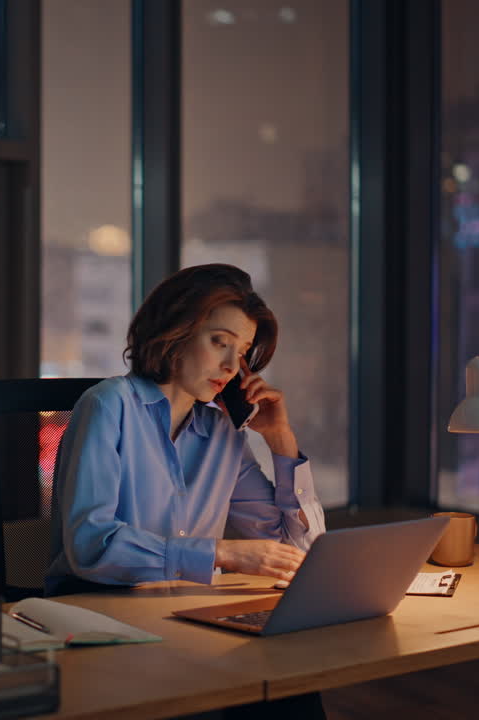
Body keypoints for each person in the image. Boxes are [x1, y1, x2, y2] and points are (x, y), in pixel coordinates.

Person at [45, 263, 329, 718]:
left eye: (243, 351)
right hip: (101, 617)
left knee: (289, 685)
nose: (232, 367)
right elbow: (91, 544)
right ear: (175, 332)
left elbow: (291, 548)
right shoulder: (108, 406)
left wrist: (280, 441)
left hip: (182, 613)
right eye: (220, 342)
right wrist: (223, 554)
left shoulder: (222, 433)